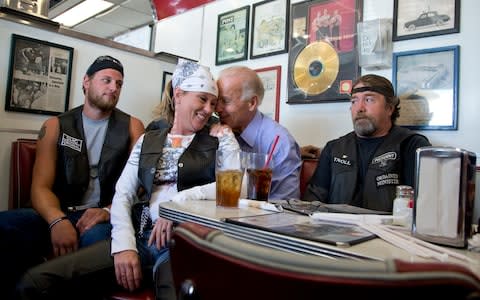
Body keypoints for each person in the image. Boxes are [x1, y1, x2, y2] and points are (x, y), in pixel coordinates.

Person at [16, 59, 239, 300]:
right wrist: (124, 245)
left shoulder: (222, 138)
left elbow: (238, 188)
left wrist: (175, 206)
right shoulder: (148, 140)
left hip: (184, 245)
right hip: (142, 238)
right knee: (34, 283)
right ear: (179, 94)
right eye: (202, 99)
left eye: (213, 103)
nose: (208, 109)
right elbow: (123, 194)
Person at [0, 55, 145, 298]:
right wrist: (58, 221)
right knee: (5, 225)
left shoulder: (133, 126)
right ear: (86, 82)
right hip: (57, 211)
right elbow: (40, 187)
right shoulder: (56, 125)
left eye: (119, 84)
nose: (113, 88)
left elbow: (139, 185)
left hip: (104, 216)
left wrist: (108, 211)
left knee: (97, 246)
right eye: (106, 80)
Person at [303, 74, 431, 212]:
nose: (359, 108)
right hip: (336, 229)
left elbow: (425, 207)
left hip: (386, 232)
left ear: (389, 108)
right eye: (354, 101)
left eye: (369, 99)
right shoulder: (334, 148)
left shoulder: (412, 145)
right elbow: (312, 201)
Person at [216, 66, 302, 200]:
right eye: (217, 101)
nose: (217, 108)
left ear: (252, 102)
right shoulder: (217, 131)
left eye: (225, 101)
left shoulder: (280, 143)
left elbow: (285, 205)